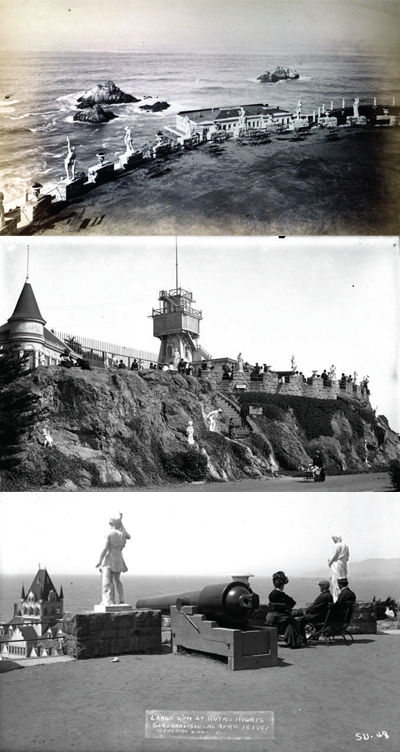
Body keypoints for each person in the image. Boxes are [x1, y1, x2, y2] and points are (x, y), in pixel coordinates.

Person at [95, 513, 131, 606]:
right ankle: (122, 599)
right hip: (119, 558)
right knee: (117, 580)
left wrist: (99, 561)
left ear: (112, 523)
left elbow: (105, 548)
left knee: (107, 580)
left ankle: (108, 601)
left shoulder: (109, 534)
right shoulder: (122, 534)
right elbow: (128, 536)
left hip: (110, 558)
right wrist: (121, 523)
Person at [266, 571, 305, 648]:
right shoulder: (280, 594)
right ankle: (293, 642)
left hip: (271, 615)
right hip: (280, 616)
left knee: (291, 619)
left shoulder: (272, 594)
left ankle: (289, 639)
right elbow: (292, 602)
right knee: (295, 622)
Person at [328, 537, 350, 601]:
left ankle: (336, 597)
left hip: (336, 564)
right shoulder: (346, 546)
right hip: (343, 564)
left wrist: (330, 562)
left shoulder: (336, 545)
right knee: (342, 579)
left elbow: (334, 556)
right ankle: (342, 594)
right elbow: (347, 557)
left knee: (335, 581)